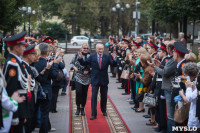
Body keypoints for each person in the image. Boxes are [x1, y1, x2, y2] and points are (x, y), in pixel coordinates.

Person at [78, 43, 117, 120]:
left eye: (102, 49)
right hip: (95, 79)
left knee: (104, 97)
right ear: (96, 50)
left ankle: (103, 110)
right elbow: (84, 63)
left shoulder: (107, 56)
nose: (100, 50)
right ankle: (93, 114)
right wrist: (80, 58)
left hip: (104, 80)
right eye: (99, 49)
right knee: (94, 97)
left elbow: (113, 65)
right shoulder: (92, 56)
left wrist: (115, 59)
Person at [3, 31, 30, 133]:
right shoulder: (12, 64)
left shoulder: (17, 62)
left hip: (21, 107)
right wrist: (14, 115)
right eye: (22, 46)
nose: (24, 48)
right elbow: (10, 89)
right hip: (17, 109)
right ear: (16, 48)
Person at [34, 43, 61, 133]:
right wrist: (56, 64)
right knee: (44, 113)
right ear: (46, 52)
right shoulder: (47, 62)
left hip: (35, 90)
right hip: (45, 90)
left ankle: (44, 127)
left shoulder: (34, 62)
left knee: (35, 111)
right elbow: (55, 75)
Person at [70, 43, 91, 116]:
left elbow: (93, 66)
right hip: (78, 77)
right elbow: (71, 63)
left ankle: (82, 108)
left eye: (86, 48)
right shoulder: (76, 55)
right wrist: (74, 67)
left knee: (84, 94)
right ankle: (78, 107)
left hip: (86, 78)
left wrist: (89, 70)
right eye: (84, 48)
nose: (85, 49)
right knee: (78, 92)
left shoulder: (90, 56)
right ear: (81, 48)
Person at [183, 63, 200, 131]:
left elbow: (189, 98)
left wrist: (188, 88)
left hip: (196, 116)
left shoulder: (196, 84)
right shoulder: (195, 82)